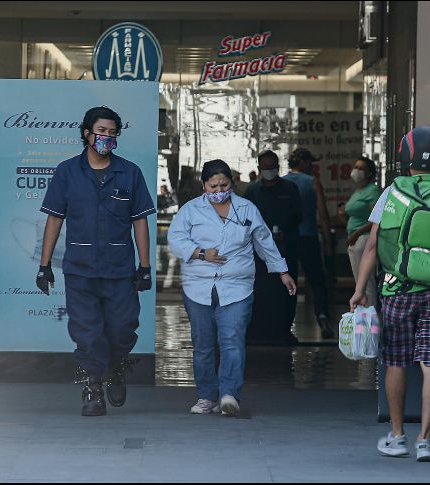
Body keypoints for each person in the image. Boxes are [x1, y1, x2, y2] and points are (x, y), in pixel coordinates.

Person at [350, 126, 430, 462]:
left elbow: (371, 246)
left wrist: (359, 290)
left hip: (398, 290)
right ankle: (425, 440)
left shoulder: (394, 192)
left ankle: (398, 436)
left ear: (405, 157)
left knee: (396, 361)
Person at [36, 106, 156, 417]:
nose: (107, 137)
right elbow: (54, 219)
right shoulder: (67, 172)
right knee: (86, 331)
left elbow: (140, 221)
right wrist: (44, 265)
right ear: (87, 132)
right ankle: (92, 387)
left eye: (113, 132)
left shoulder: (130, 172)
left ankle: (115, 367)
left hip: (119, 269)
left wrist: (144, 266)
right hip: (80, 270)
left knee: (123, 329)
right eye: (101, 131)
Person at [167, 159, 297, 416]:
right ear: (203, 185)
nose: (218, 190)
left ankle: (229, 395)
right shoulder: (191, 210)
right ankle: (206, 396)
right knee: (203, 343)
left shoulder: (247, 209)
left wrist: (283, 272)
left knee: (232, 341)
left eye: (223, 185)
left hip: (237, 286)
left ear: (231, 183)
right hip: (198, 286)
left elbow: (264, 241)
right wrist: (201, 253)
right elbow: (175, 239)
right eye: (213, 186)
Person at [244, 150, 302, 344]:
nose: (269, 170)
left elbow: (298, 215)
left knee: (287, 290)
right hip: (258, 252)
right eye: (265, 167)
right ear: (259, 167)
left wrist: (285, 231)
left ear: (278, 166)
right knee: (260, 290)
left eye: (272, 166)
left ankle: (284, 330)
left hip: (286, 248)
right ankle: (257, 330)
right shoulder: (252, 192)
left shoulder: (290, 189)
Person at [283, 148, 335, 338]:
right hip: (309, 238)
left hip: (287, 240)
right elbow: (322, 214)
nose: (312, 166)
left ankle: (285, 325)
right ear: (303, 162)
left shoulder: (282, 182)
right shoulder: (313, 182)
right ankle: (322, 318)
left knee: (289, 282)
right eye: (310, 162)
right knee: (317, 282)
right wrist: (328, 244)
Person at [338, 156, 382, 307]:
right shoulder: (358, 191)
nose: (356, 171)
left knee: (365, 281)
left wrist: (356, 233)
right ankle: (365, 313)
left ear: (369, 173)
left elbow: (376, 219)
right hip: (355, 239)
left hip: (364, 239)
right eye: (355, 167)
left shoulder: (372, 191)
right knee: (360, 281)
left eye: (361, 168)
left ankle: (370, 316)